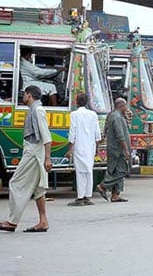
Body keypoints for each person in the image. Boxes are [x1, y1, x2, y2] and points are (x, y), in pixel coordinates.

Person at [0, 86, 53, 233]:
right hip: (33, 151)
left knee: (15, 183)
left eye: (25, 94)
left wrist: (47, 158)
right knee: (38, 189)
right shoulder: (34, 110)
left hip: (33, 152)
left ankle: (12, 221)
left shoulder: (38, 110)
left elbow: (47, 137)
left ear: (29, 95)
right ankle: (43, 221)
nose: (23, 97)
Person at [66, 93, 101, 206]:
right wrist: (97, 149)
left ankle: (80, 197)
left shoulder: (74, 115)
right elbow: (97, 134)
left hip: (79, 147)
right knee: (89, 171)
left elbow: (72, 133)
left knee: (80, 172)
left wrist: (69, 149)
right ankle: (87, 196)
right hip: (90, 147)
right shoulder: (93, 114)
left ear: (77, 102)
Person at [97, 98, 131, 203]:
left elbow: (106, 129)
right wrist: (125, 149)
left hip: (113, 148)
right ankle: (103, 185)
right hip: (118, 149)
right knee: (122, 170)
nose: (126, 108)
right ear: (121, 106)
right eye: (125, 106)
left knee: (115, 170)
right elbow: (120, 135)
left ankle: (115, 195)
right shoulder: (117, 118)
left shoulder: (113, 115)